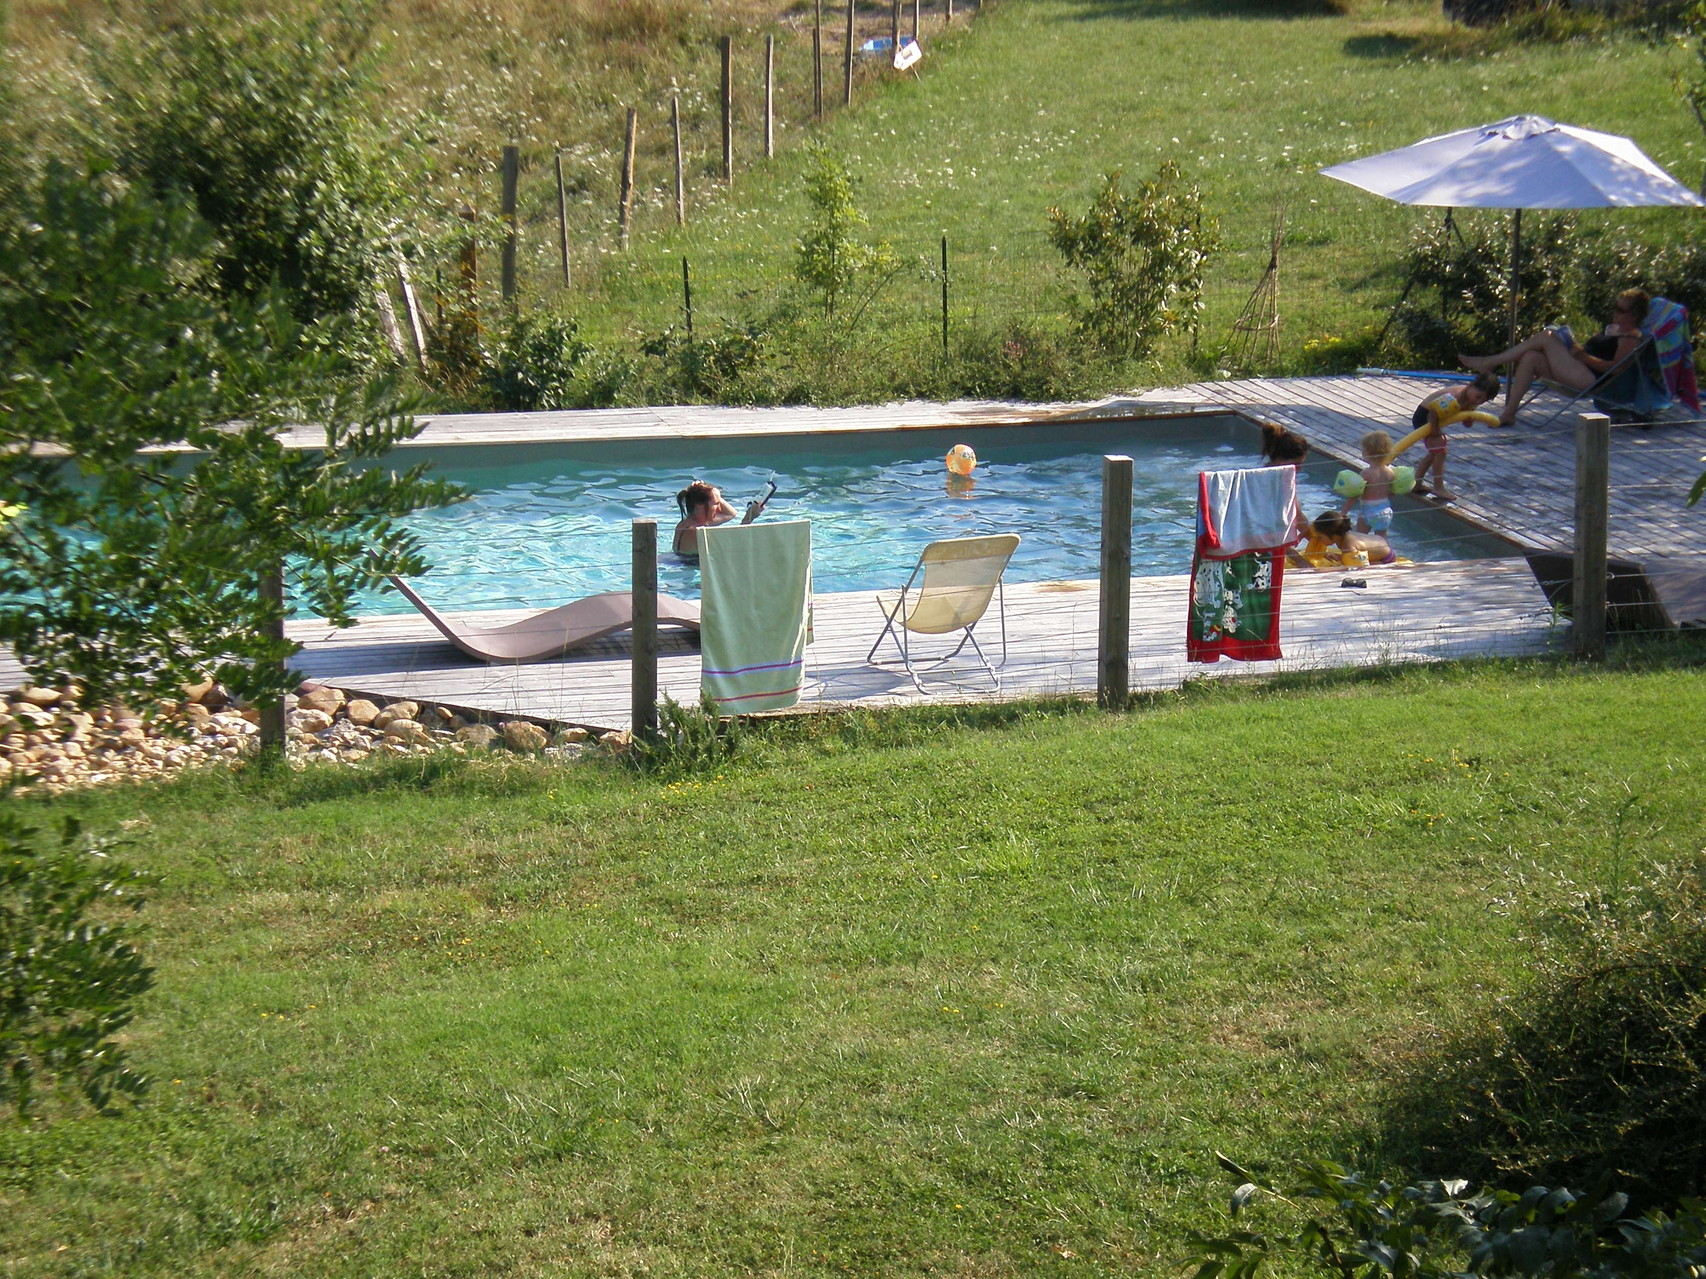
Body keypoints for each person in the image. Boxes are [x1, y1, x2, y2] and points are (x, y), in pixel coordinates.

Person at [1458, 289, 1650, 426]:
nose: (1615, 313)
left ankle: (1489, 362)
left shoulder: (1630, 337)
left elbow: (1616, 368)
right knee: (1532, 356)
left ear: (1633, 315)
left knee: (1547, 337)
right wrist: (1574, 348)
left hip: (1588, 378)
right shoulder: (1615, 330)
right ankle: (1509, 413)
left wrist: (1582, 356)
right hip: (1577, 368)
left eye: (1621, 310)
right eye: (1615, 307)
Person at [1410, 372, 1499, 502]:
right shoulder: (1455, 397)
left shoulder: (1470, 398)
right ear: (1471, 385)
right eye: (1478, 397)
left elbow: (1466, 421)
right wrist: (1435, 433)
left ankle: (1416, 484)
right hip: (1425, 416)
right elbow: (1433, 413)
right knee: (1440, 451)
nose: (1478, 401)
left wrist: (1469, 418)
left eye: (1482, 400)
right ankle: (1438, 487)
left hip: (1434, 419)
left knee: (1434, 453)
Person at [672, 481, 765, 557]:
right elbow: (732, 551)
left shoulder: (690, 522)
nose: (720, 509)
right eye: (716, 504)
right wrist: (748, 519)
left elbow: (731, 514)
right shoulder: (694, 532)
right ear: (699, 505)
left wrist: (707, 491)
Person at [1257, 420, 1311, 542]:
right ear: (1280, 459)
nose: (1299, 469)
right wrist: (1318, 545)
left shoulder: (1260, 474)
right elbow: (1297, 517)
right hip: (1268, 539)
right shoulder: (1282, 479)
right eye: (1296, 464)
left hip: (1266, 536)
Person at [1345, 430, 1396, 535]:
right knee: (1381, 540)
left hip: (1368, 510)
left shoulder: (1366, 474)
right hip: (1385, 511)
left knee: (1360, 537)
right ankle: (1387, 552)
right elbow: (1392, 492)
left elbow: (1354, 494)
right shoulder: (1390, 472)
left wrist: (1344, 512)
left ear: (1367, 452)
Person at [1312, 510, 1395, 566]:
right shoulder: (1343, 536)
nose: (1318, 539)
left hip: (1385, 559)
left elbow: (1358, 566)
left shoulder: (1348, 545)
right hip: (1381, 544)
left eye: (1320, 537)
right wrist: (1340, 557)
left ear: (1334, 536)